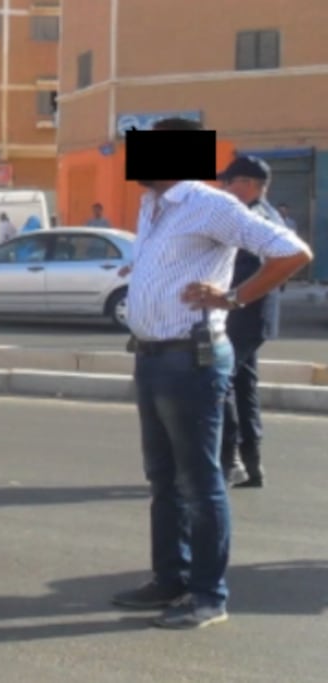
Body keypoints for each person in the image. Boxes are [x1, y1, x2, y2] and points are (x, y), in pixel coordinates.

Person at [109, 118, 310, 629]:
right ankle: (169, 579)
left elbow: (292, 253)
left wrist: (235, 297)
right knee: (163, 479)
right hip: (153, 355)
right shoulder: (154, 203)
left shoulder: (211, 204)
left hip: (190, 359)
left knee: (200, 483)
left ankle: (207, 597)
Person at [216, 156, 283, 489]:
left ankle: (231, 462)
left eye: (230, 181)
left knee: (219, 382)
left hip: (243, 314)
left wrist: (226, 295)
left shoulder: (253, 218)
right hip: (254, 316)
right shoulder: (269, 214)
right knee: (243, 387)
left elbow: (254, 269)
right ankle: (252, 464)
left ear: (250, 184)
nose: (224, 187)